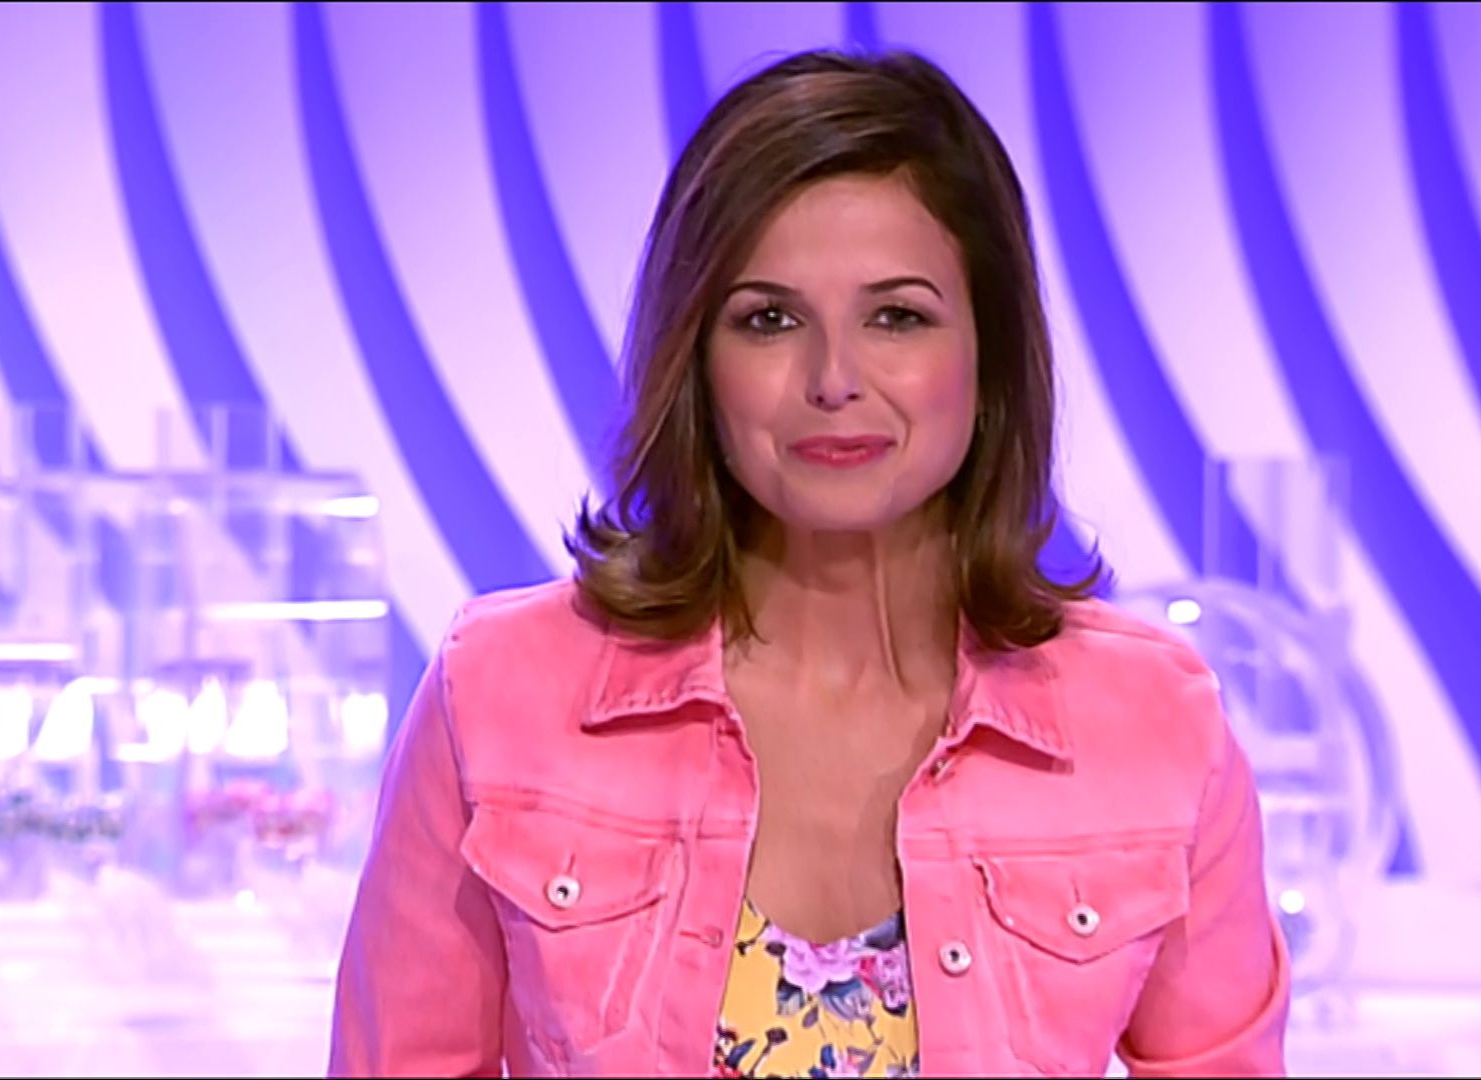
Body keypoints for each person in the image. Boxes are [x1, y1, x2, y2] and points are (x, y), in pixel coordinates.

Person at [328, 47, 1288, 1078]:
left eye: (897, 316)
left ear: (990, 356)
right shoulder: (495, 691)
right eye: (770, 319)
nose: (834, 379)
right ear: (696, 359)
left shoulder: (1155, 723)